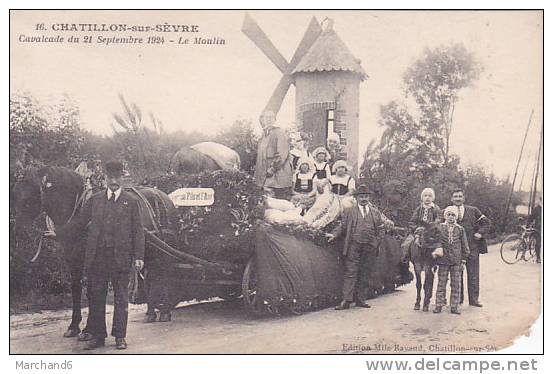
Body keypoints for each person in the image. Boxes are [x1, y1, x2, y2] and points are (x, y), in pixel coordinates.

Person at [46, 161, 145, 350]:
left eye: (118, 177)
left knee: (121, 298)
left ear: (123, 178)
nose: (114, 181)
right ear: (106, 178)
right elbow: (79, 223)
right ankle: (98, 336)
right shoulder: (96, 200)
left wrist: (139, 256)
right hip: (98, 258)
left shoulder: (131, 202)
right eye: (111, 177)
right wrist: (58, 233)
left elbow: (138, 231)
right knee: (97, 296)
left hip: (121, 257)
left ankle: (119, 337)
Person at [326, 184, 394, 310]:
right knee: (351, 272)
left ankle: (361, 299)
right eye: (361, 197)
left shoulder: (375, 212)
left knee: (365, 272)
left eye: (366, 197)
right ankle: (346, 300)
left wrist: (376, 241)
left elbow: (381, 228)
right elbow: (343, 226)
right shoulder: (349, 211)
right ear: (356, 198)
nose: (364, 199)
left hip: (369, 246)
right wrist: (334, 234)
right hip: (354, 245)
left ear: (369, 198)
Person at [402, 187, 442, 311]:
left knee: (440, 245)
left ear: (433, 198)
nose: (427, 198)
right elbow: (412, 221)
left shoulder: (436, 209)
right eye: (425, 196)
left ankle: (436, 263)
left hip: (432, 233)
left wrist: (431, 226)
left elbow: (439, 220)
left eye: (430, 196)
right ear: (422, 198)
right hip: (419, 232)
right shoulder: (419, 209)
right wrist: (417, 228)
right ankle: (405, 259)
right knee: (406, 243)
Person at [450, 188, 490, 308]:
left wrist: (480, 233)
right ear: (451, 199)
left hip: (472, 247)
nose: (457, 198)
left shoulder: (473, 210)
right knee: (457, 274)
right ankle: (458, 299)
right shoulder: (448, 211)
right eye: (455, 196)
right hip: (456, 249)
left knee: (473, 274)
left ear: (464, 198)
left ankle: (474, 300)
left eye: (460, 196)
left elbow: (486, 222)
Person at [433, 206, 470, 315]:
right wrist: (437, 256)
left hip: (456, 261)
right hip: (443, 260)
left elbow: (465, 246)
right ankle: (439, 304)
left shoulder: (460, 229)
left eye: (453, 215)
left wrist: (463, 260)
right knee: (441, 283)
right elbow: (436, 242)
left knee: (456, 284)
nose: (450, 217)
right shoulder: (440, 227)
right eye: (448, 215)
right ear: (445, 216)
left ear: (456, 217)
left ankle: (454, 306)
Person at [254, 111, 293, 199]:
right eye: (266, 117)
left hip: (277, 176)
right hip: (264, 177)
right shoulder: (263, 135)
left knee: (277, 203)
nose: (268, 120)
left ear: (275, 120)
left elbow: (282, 153)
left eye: (271, 117)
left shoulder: (279, 132)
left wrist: (272, 168)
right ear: (263, 120)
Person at [527, 196, 542, 263]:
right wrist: (528, 225)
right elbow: (531, 217)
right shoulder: (537, 209)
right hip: (538, 228)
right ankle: (538, 257)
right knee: (538, 243)